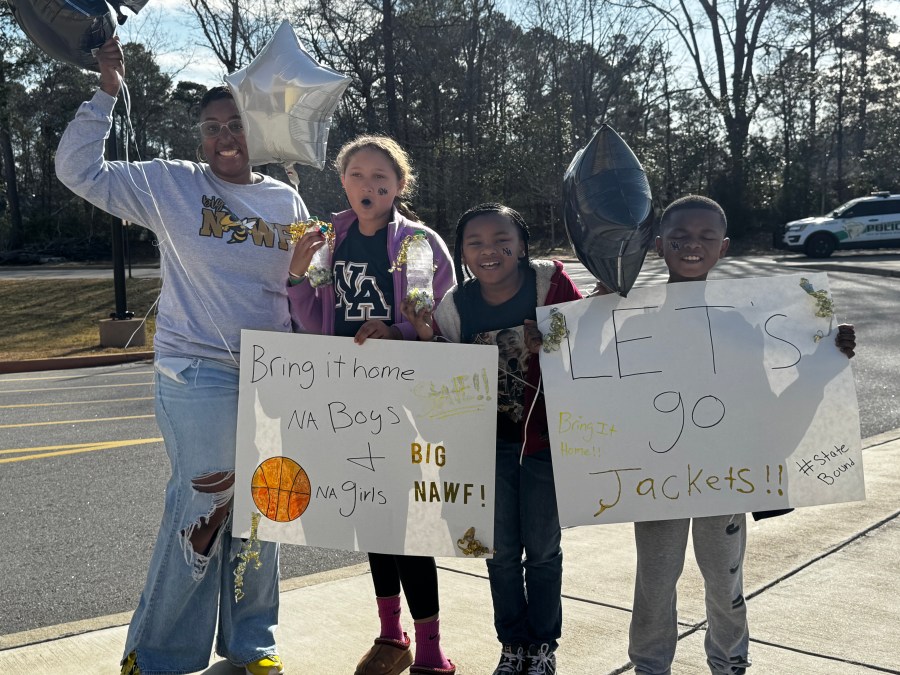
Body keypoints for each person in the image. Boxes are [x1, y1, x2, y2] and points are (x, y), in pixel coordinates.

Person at [55, 37, 306, 675]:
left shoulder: (286, 201)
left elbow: (303, 291)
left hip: (274, 375)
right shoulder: (171, 184)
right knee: (208, 504)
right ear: (200, 138)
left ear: (258, 133)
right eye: (212, 128)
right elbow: (77, 170)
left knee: (265, 508)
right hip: (198, 371)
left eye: (236, 125)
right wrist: (106, 93)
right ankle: (160, 654)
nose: (224, 136)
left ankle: (253, 644)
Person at [627, 194, 857, 675]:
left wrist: (826, 359)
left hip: (724, 477)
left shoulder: (742, 322)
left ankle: (730, 662)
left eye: (706, 237)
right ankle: (650, 666)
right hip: (656, 478)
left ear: (724, 246)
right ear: (658, 244)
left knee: (725, 580)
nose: (693, 245)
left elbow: (765, 401)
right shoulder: (629, 318)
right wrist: (560, 344)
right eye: (680, 237)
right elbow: (596, 384)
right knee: (654, 581)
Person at [287, 135, 456, 675]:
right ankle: (390, 631)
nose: (369, 185)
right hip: (347, 393)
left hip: (404, 398)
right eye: (358, 175)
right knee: (370, 512)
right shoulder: (327, 242)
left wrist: (400, 329)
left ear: (400, 185)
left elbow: (438, 317)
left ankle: (428, 641)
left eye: (382, 177)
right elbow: (313, 317)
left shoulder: (419, 243)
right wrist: (296, 272)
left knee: (408, 523)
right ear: (343, 182)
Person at [402, 203, 584, 675]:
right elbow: (443, 377)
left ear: (521, 244)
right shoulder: (456, 305)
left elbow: (591, 340)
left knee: (543, 551)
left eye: (501, 239)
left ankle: (543, 646)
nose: (489, 250)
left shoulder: (553, 285)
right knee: (500, 553)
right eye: (474, 242)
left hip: (546, 445)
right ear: (462, 252)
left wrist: (558, 339)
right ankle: (512, 645)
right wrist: (425, 333)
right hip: (486, 448)